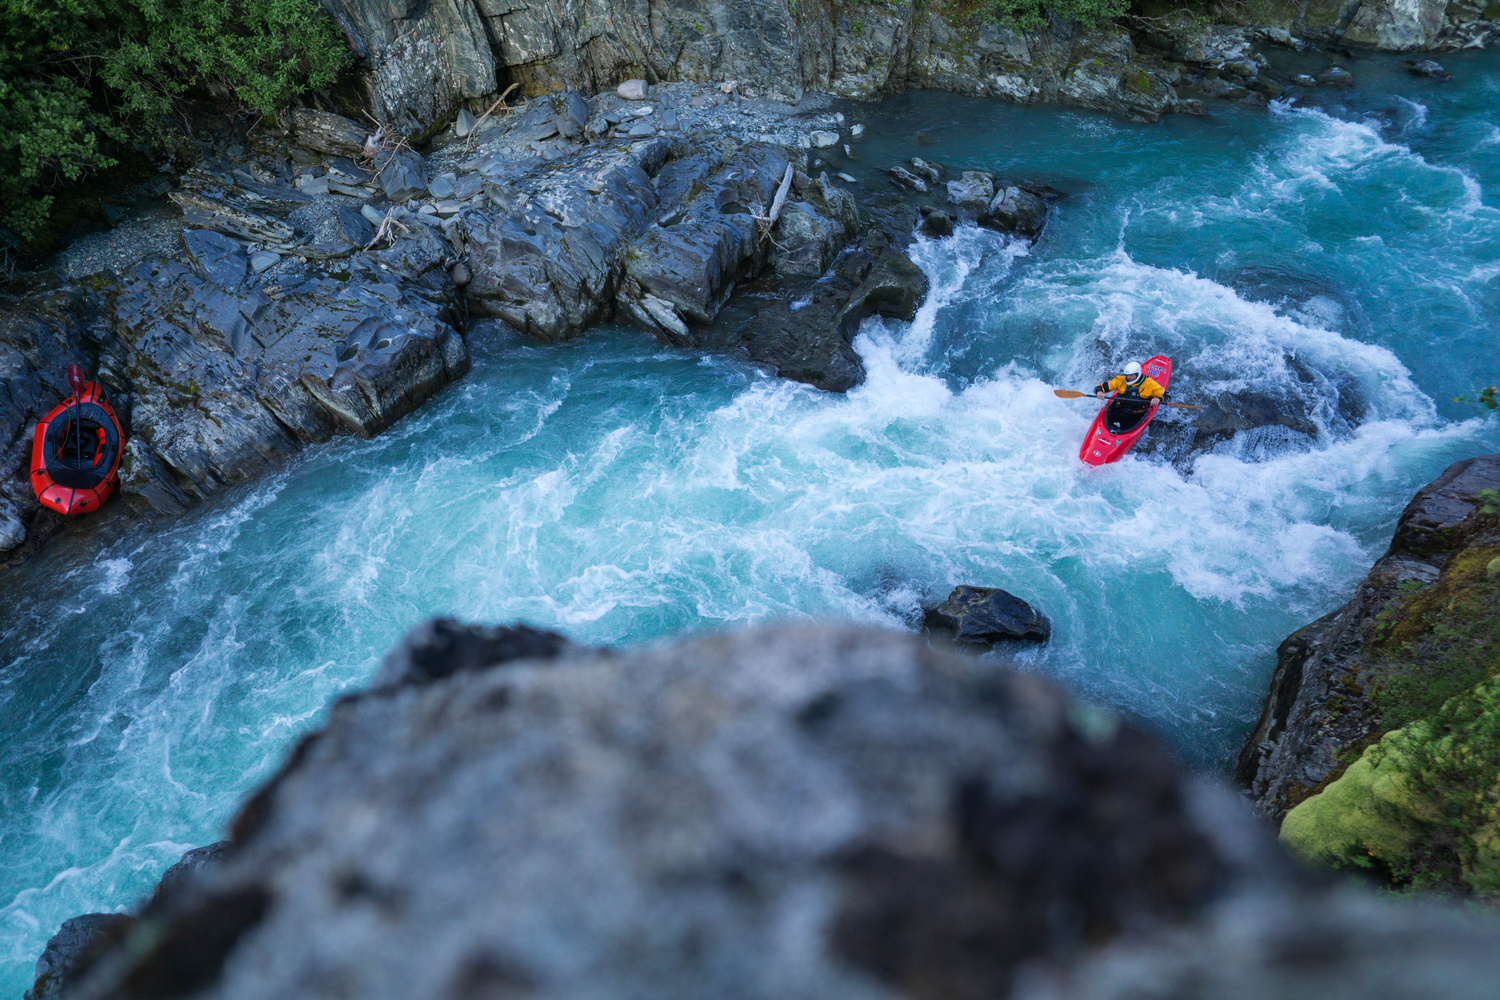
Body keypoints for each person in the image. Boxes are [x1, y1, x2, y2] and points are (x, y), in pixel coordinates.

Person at [1095, 361, 1166, 407]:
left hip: (1138, 413)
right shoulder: (1120, 380)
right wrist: (1099, 392)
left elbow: (1166, 395)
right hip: (1120, 408)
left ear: (1137, 374)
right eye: (1127, 375)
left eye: (1131, 375)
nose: (1128, 377)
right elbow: (1101, 387)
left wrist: (1158, 399)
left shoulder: (1150, 383)